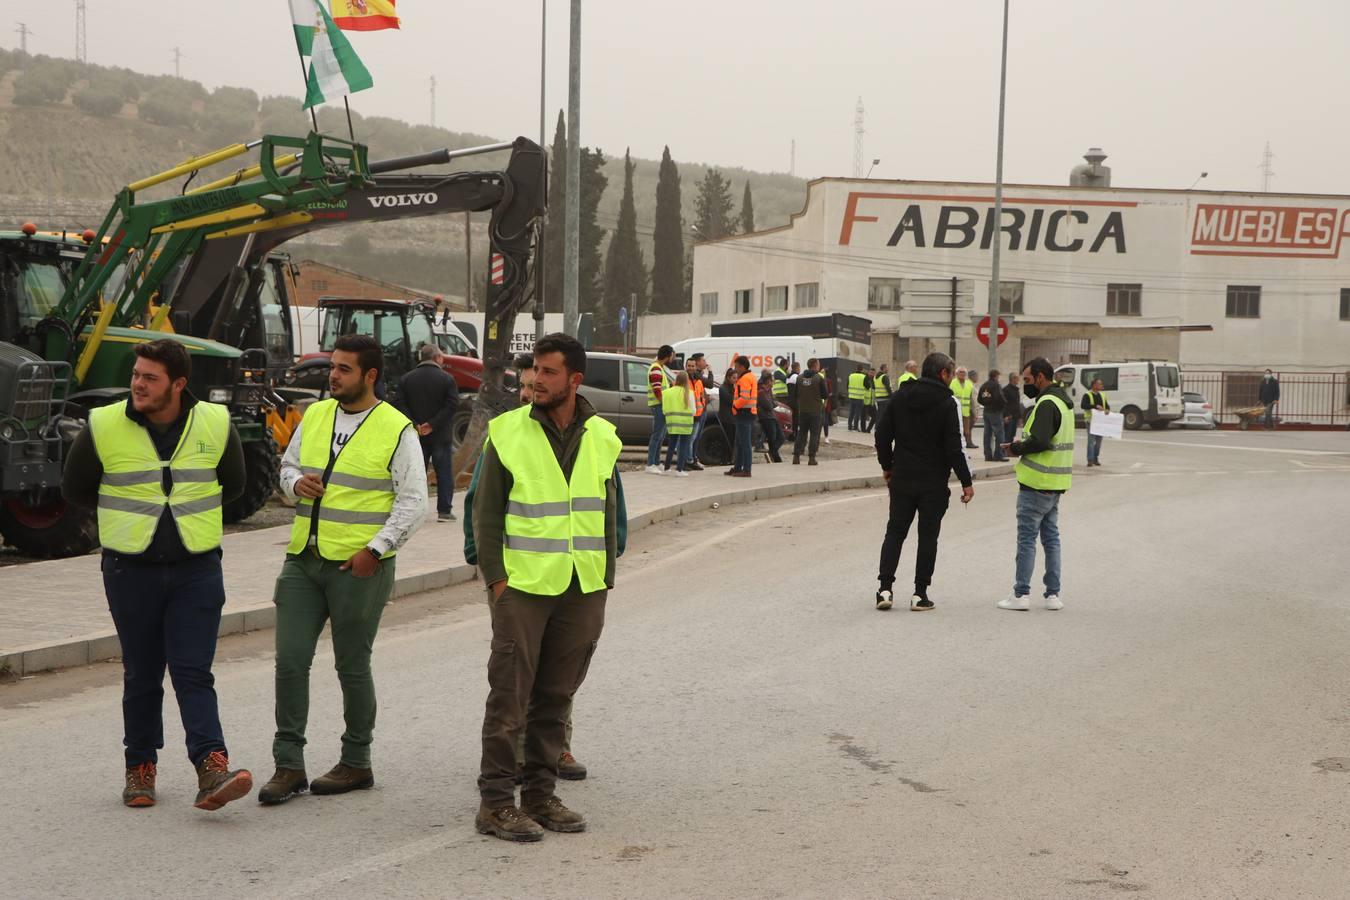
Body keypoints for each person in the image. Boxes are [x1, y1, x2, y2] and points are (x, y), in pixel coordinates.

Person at [61, 339, 252, 811]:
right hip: (130, 569)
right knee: (142, 674)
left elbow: (237, 486)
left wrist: (183, 520)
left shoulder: (215, 421)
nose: (138, 385)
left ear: (178, 384)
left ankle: (212, 768)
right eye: (136, 375)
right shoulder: (103, 424)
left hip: (197, 568)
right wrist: (131, 523)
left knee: (192, 671)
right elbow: (76, 487)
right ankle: (139, 769)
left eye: (150, 378)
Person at [260, 334, 428, 805]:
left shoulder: (397, 429)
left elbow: (414, 501)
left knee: (352, 666)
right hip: (302, 561)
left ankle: (357, 761)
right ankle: (288, 765)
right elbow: (286, 468)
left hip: (358, 568)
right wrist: (297, 484)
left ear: (370, 376)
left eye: (344, 369)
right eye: (333, 367)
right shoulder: (314, 415)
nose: (333, 375)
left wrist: (376, 550)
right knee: (290, 662)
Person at [472, 333, 626, 842]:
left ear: (574, 380)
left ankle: (539, 797)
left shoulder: (603, 436)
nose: (536, 379)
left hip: (582, 586)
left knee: (556, 698)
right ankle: (496, 803)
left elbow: (605, 513)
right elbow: (486, 515)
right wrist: (496, 582)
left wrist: (603, 581)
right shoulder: (508, 432)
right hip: (521, 585)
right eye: (533, 369)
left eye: (548, 371)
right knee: (509, 698)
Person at [873, 352, 975, 612]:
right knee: (928, 537)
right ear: (943, 374)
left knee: (895, 532)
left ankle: (885, 589)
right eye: (951, 374)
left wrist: (887, 467)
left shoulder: (900, 396)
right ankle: (919, 594)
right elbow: (953, 448)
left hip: (903, 477)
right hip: (933, 483)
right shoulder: (947, 403)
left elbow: (882, 435)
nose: (952, 379)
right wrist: (966, 481)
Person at [998, 357, 1074, 612]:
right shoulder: (1064, 403)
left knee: (1027, 540)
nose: (1026, 385)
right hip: (1055, 484)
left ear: (1041, 377)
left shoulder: (1047, 403)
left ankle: (1021, 594)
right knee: (1051, 539)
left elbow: (1040, 440)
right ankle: (1053, 595)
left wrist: (1016, 448)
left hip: (1035, 484)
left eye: (1029, 380)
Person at [400, 343, 461, 521]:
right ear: (437, 358)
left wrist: (416, 424)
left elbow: (399, 404)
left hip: (415, 435)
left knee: (415, 473)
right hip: (440, 435)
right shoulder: (447, 379)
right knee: (443, 472)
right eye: (442, 356)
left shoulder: (406, 379)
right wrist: (432, 424)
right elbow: (451, 405)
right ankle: (444, 511)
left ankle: (413, 510)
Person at [644, 344, 675, 473]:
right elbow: (657, 391)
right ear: (668, 356)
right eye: (673, 355)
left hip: (660, 405)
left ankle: (656, 462)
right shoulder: (656, 369)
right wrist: (665, 404)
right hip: (659, 405)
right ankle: (650, 464)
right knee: (657, 435)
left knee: (661, 435)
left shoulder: (659, 368)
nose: (673, 358)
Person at [792, 358, 829, 465]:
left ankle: (796, 456)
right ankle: (811, 458)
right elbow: (825, 395)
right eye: (818, 364)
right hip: (815, 411)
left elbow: (795, 394)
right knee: (814, 434)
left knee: (801, 433)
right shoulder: (818, 378)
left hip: (803, 410)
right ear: (815, 365)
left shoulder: (799, 378)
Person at [662, 371, 696, 476]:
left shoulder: (667, 392)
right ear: (686, 381)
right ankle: (679, 469)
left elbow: (664, 409)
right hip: (686, 423)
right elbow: (694, 410)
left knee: (671, 446)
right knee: (683, 446)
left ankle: (666, 468)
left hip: (672, 422)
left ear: (676, 380)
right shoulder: (689, 393)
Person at [729, 356, 757, 477]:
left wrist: (734, 406)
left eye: (736, 367)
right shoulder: (751, 377)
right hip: (748, 412)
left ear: (741, 366)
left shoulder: (744, 379)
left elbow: (744, 398)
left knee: (744, 443)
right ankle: (738, 467)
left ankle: (746, 469)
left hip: (744, 412)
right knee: (740, 442)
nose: (735, 369)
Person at [685, 353, 712, 471]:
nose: (705, 362)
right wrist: (710, 372)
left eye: (692, 366)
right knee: (692, 438)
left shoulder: (697, 377)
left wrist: (705, 398)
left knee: (695, 437)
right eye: (703, 360)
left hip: (699, 411)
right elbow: (710, 384)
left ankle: (692, 459)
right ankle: (691, 460)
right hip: (694, 413)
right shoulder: (694, 376)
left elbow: (700, 393)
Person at [978, 369, 1008, 462]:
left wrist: (986, 404)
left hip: (986, 411)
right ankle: (999, 455)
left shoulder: (984, 385)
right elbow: (1000, 398)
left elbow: (979, 399)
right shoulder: (996, 385)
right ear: (995, 376)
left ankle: (988, 455)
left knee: (987, 434)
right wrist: (1003, 406)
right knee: (999, 434)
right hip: (995, 412)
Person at [756, 370, 785, 463]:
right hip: (766, 418)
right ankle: (776, 458)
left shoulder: (768, 391)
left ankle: (771, 453)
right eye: (772, 380)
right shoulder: (761, 392)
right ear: (768, 381)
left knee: (781, 437)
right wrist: (773, 404)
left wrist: (773, 403)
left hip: (772, 417)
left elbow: (772, 403)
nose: (774, 382)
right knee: (772, 439)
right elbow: (769, 406)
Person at [1082, 377, 1110, 467]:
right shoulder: (1087, 395)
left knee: (1098, 442)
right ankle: (1090, 460)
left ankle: (1095, 458)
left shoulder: (1102, 395)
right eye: (1099, 384)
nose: (1101, 385)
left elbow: (1107, 406)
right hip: (1090, 421)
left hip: (1100, 422)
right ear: (1094, 385)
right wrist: (1095, 406)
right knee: (1091, 441)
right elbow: (1083, 405)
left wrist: (1107, 410)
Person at [951, 366, 977, 449]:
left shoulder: (969, 384)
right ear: (956, 373)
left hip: (966, 413)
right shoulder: (952, 383)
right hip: (954, 412)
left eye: (963, 372)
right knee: (956, 431)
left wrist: (975, 413)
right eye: (960, 372)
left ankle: (965, 447)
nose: (962, 374)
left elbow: (972, 400)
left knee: (966, 431)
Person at [1002, 370, 1022, 443]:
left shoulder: (1016, 390)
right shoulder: (1005, 390)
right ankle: (1004, 451)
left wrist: (1020, 417)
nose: (1018, 380)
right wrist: (1005, 416)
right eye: (1017, 378)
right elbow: (1003, 404)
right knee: (1007, 435)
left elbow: (1017, 404)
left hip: (1015, 416)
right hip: (1009, 417)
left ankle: (1008, 451)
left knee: (1012, 435)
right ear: (1013, 379)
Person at [786, 361, 802, 436]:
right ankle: (795, 435)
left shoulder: (788, 377)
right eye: (799, 368)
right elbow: (799, 389)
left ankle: (791, 434)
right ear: (797, 368)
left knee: (791, 419)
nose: (800, 369)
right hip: (795, 401)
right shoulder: (796, 377)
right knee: (796, 419)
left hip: (789, 400)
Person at [861, 366, 878, 433]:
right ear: (868, 372)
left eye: (873, 373)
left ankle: (868, 429)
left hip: (872, 402)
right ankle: (863, 430)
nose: (872, 374)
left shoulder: (874, 380)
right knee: (863, 416)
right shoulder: (865, 378)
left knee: (875, 416)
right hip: (865, 400)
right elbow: (867, 387)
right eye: (871, 373)